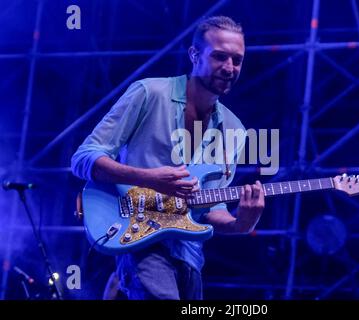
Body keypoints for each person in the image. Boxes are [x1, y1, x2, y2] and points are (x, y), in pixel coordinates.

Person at [71, 16, 265, 300]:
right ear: (194, 55)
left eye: (237, 60)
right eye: (220, 57)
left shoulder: (234, 129)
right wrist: (148, 178)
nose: (229, 68)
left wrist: (241, 223)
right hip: (139, 241)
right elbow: (83, 158)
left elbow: (210, 206)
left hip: (190, 256)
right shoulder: (149, 93)